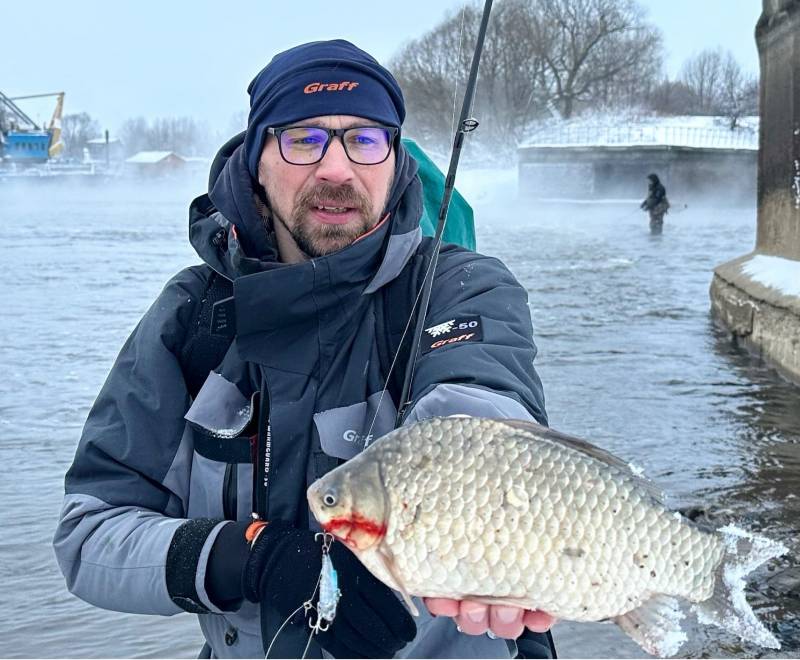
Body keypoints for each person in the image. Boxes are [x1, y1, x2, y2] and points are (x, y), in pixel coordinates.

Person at [54, 40, 554, 659]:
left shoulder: (464, 287)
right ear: (256, 160)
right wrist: (247, 557)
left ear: (395, 161)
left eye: (365, 139)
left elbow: (479, 424)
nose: (337, 169)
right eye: (303, 139)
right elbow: (89, 535)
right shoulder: (192, 318)